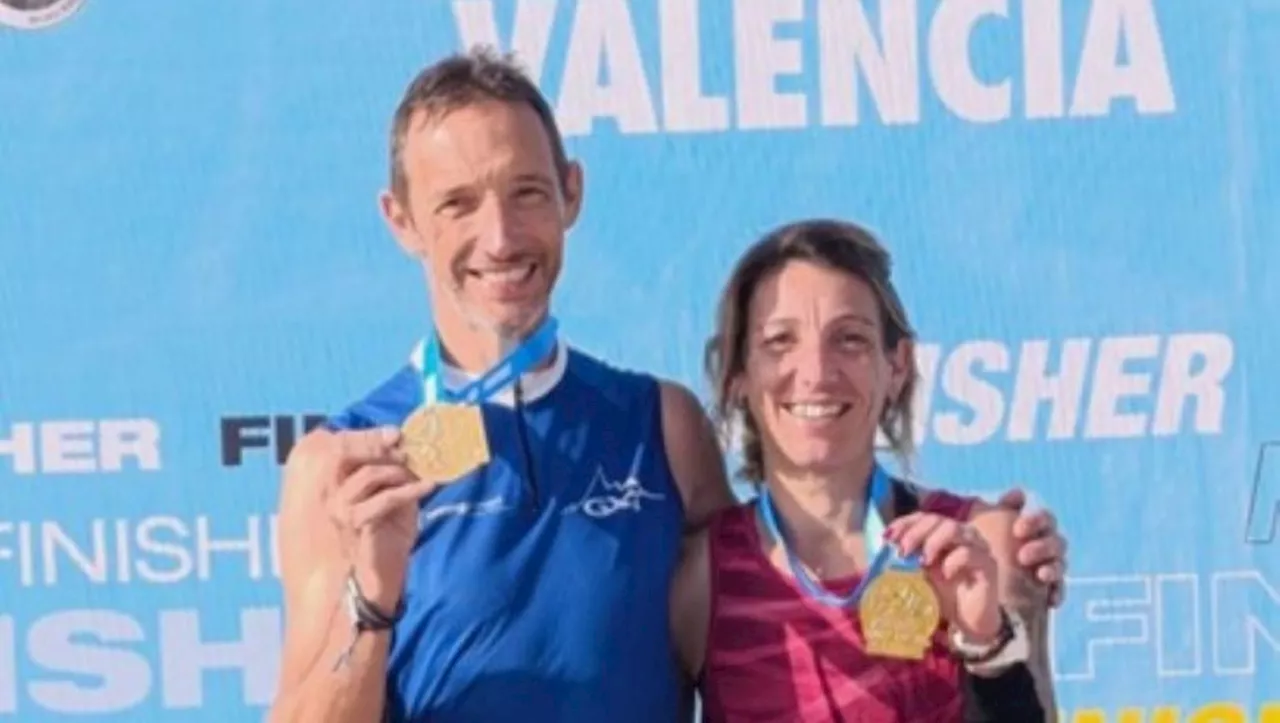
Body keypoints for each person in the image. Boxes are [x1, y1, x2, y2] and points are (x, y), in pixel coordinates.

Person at [266, 48, 1068, 723]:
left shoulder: (662, 423)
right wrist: (370, 600)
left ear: (571, 193)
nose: (500, 236)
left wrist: (1000, 601)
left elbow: (787, 604)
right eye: (457, 204)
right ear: (400, 220)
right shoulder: (343, 464)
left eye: (527, 193)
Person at [670, 219, 1055, 721]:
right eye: (780, 341)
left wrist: (984, 643)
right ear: (738, 374)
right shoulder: (699, 579)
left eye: (848, 340)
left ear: (896, 366)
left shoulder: (981, 545)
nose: (817, 373)